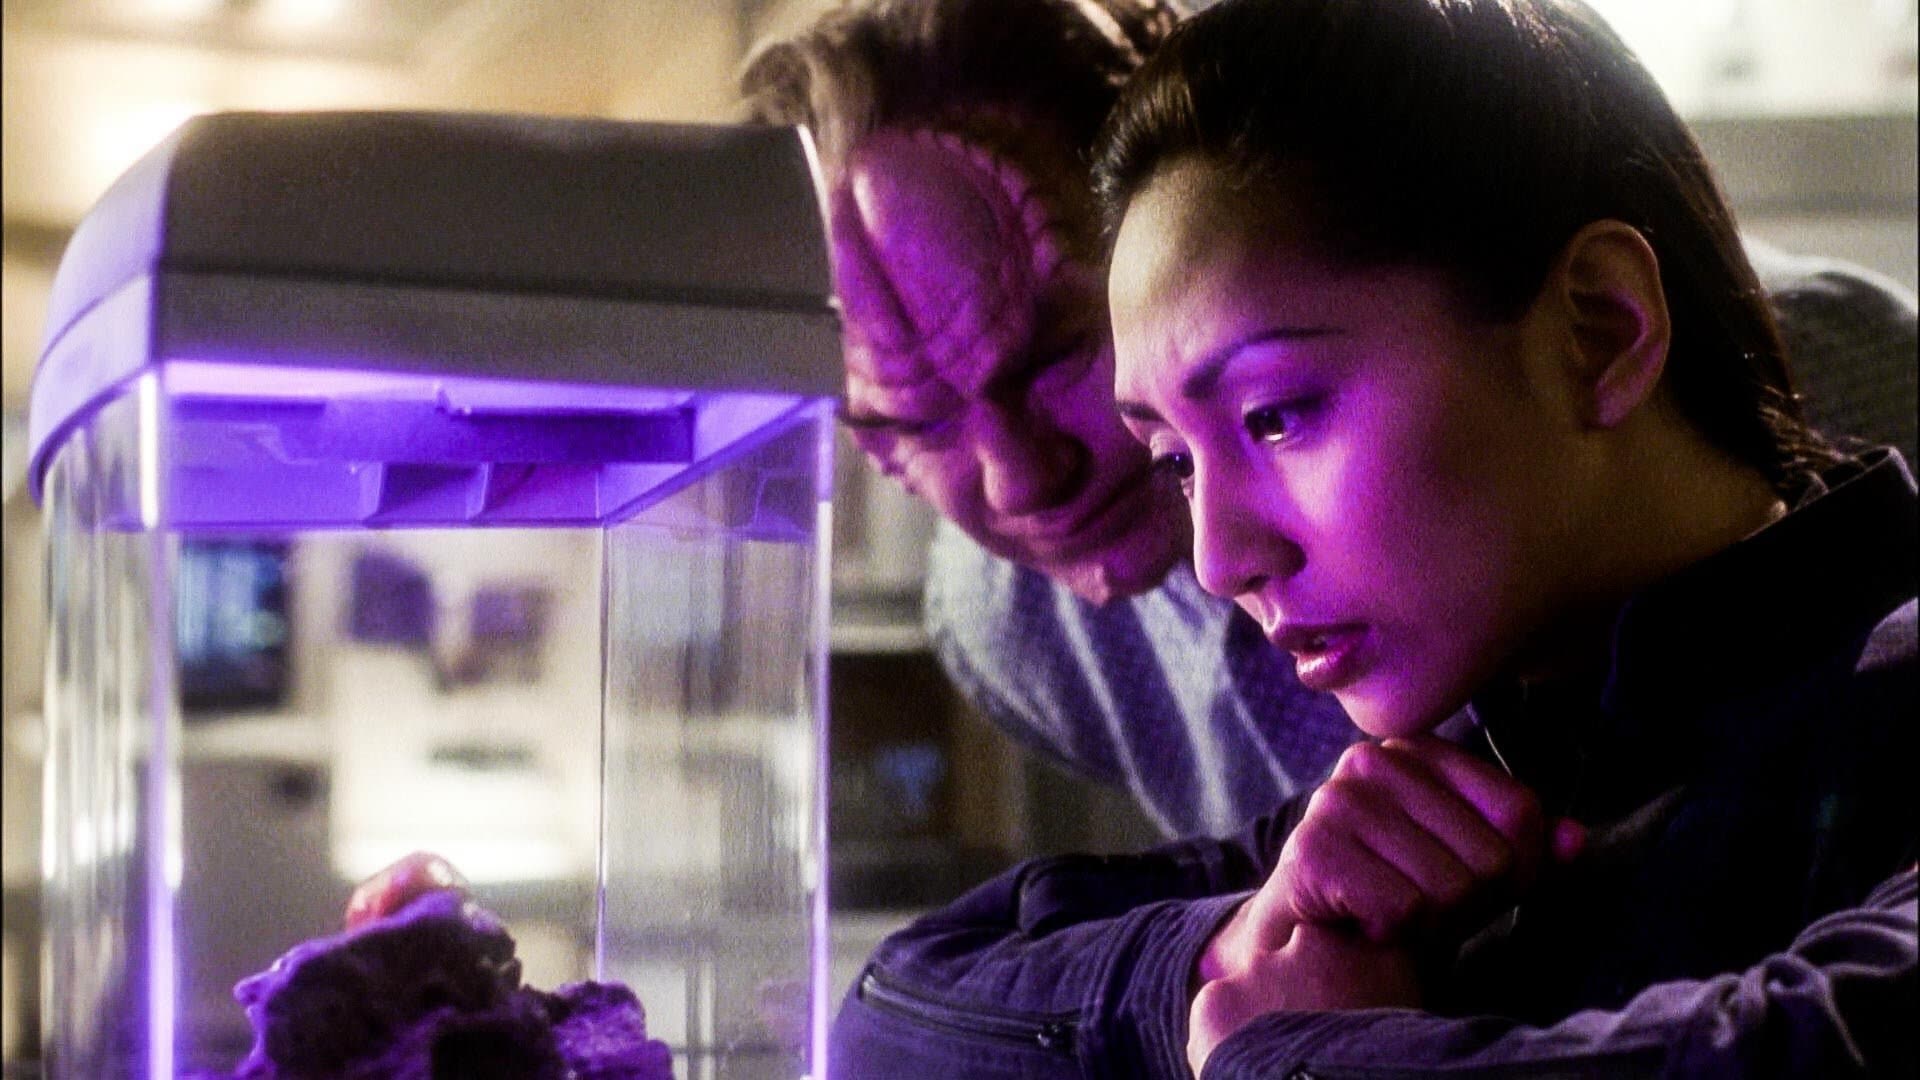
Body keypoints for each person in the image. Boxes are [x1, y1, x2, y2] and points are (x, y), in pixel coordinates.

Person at [824, 0, 1916, 1075]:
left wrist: (1295, 1053)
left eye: (1276, 415)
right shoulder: (1469, 776)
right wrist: (1226, 953)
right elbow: (890, 1012)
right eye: (1174, 461)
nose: (1219, 560)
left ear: (1600, 329)